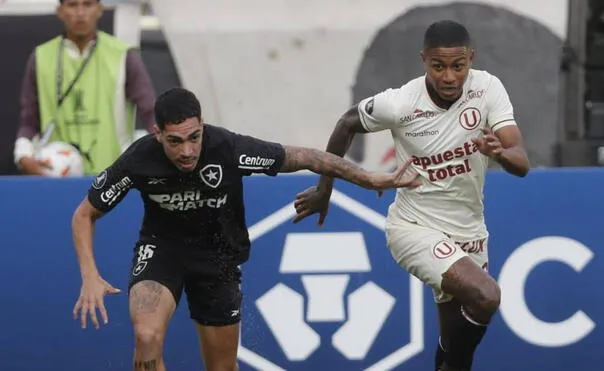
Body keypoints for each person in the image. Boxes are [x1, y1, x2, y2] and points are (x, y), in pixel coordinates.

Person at [70, 87, 420, 371]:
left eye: (194, 137)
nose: (188, 151)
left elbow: (309, 157)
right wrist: (89, 275)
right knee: (146, 336)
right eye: (175, 141)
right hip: (163, 251)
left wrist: (367, 177)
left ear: (203, 125)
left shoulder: (228, 149)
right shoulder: (139, 159)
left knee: (221, 368)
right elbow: (84, 215)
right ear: (157, 133)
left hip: (218, 257)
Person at [293, 20, 530, 371]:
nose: (449, 77)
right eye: (438, 66)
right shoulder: (400, 103)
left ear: (471, 60)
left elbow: (521, 162)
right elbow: (346, 123)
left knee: (454, 344)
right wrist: (324, 189)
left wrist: (499, 154)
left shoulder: (488, 89)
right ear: (424, 61)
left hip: (470, 231)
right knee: (486, 296)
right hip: (413, 227)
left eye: (458, 66)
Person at [14, 0, 156, 176]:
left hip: (113, 178)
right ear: (60, 11)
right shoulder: (41, 57)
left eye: (87, 4)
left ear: (99, 9)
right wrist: (23, 156)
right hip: (59, 177)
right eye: (72, 5)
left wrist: (163, 148)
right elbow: (29, 120)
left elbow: (150, 113)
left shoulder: (123, 55)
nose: (80, 12)